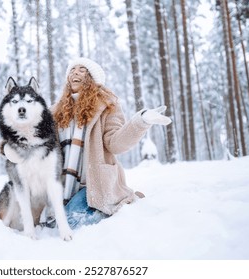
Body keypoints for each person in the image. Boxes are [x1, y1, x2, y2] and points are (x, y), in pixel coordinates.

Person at [51, 57, 172, 229]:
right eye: (72, 69)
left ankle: (122, 203)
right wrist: (8, 147)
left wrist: (141, 122)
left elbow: (115, 143)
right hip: (62, 184)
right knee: (52, 223)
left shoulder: (107, 106)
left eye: (82, 69)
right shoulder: (56, 111)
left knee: (70, 224)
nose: (75, 72)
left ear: (91, 78)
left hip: (93, 185)